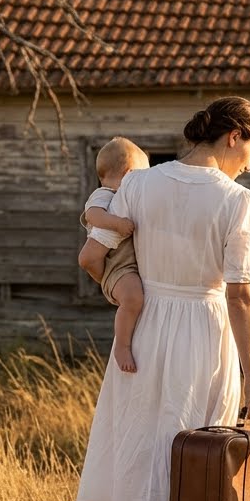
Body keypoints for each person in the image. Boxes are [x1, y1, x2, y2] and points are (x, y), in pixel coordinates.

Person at [76, 96, 250, 501]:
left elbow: (95, 253)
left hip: (148, 329)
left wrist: (125, 298)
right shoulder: (238, 200)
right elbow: (240, 294)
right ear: (232, 136)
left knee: (151, 459)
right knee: (201, 470)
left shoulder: (139, 183)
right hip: (207, 335)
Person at [78, 137, 150, 373]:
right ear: (130, 174)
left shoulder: (123, 198)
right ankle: (122, 345)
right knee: (133, 299)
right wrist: (117, 223)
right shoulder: (104, 194)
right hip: (117, 266)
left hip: (127, 264)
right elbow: (93, 216)